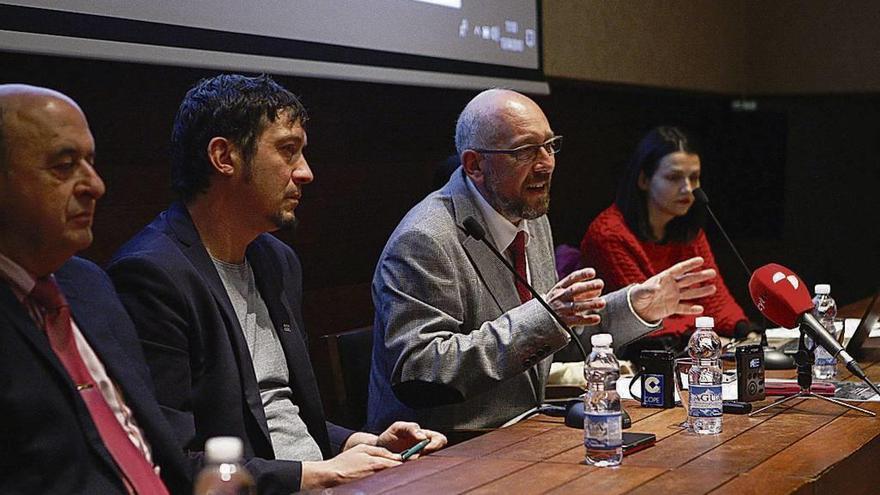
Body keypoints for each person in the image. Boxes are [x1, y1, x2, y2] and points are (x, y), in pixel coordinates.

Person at [107, 74, 445, 494]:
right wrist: (322, 473)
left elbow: (277, 413)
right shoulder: (151, 275)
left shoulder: (276, 260)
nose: (306, 173)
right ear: (223, 156)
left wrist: (363, 443)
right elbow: (173, 458)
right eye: (288, 151)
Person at [367, 89, 718, 432]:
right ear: (475, 164)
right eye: (525, 151)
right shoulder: (425, 239)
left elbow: (561, 331)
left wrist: (637, 305)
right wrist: (546, 318)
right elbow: (422, 369)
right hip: (445, 449)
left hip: (523, 432)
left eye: (550, 146)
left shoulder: (531, 217)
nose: (547, 163)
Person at [0, 84, 192, 494]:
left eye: (90, 162)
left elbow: (154, 441)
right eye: (65, 166)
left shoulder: (90, 285)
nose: (96, 185)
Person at [580, 126, 750, 353]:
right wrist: (707, 335)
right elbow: (645, 319)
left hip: (689, 344)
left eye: (694, 178)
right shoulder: (609, 234)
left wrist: (746, 332)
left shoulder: (689, 232)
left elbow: (715, 299)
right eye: (674, 178)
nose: (687, 188)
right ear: (644, 180)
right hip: (633, 355)